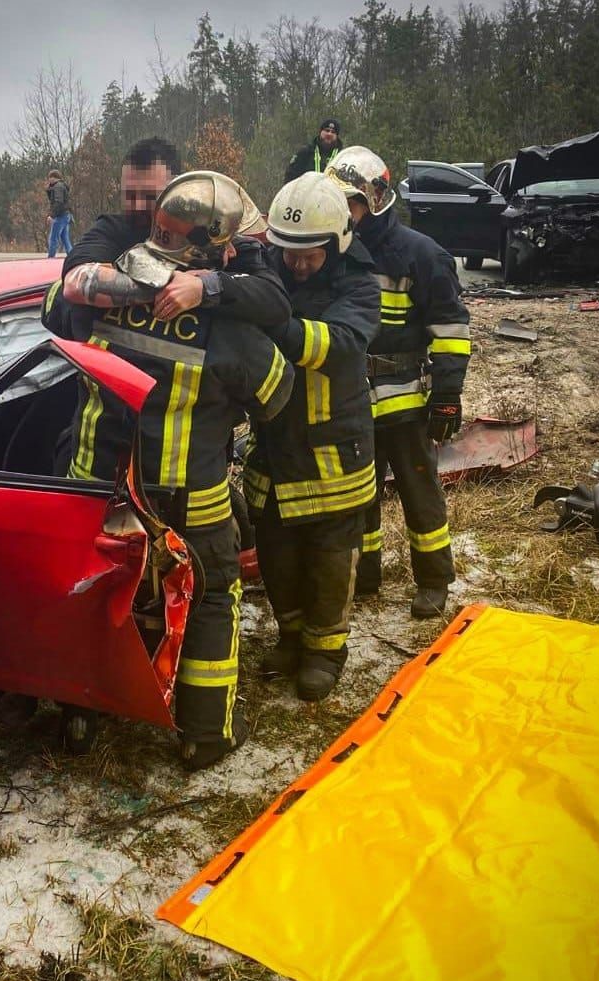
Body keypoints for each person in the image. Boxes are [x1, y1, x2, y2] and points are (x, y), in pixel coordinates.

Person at [47, 172, 295, 771]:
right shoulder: (232, 329)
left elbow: (55, 314)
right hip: (191, 496)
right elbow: (275, 395)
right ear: (207, 250)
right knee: (211, 597)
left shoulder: (94, 298)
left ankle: (80, 713)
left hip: (94, 485)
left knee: (94, 595)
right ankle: (203, 735)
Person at [246, 173, 380, 701]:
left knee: (329, 558)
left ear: (337, 245)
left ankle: (326, 651)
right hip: (276, 448)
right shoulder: (271, 272)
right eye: (289, 253)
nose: (298, 264)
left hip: (333, 452)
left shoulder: (360, 285)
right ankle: (291, 636)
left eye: (311, 255)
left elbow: (338, 344)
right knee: (278, 553)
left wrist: (270, 319)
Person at [326, 146, 471, 618]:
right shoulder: (336, 251)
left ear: (377, 197)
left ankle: (433, 580)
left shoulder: (420, 254)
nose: (341, 211)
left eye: (349, 201)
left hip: (407, 400)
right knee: (360, 494)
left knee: (419, 491)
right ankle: (366, 575)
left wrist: (447, 397)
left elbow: (450, 329)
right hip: (352, 403)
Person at [53, 137, 290, 333]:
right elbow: (77, 283)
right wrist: (174, 282)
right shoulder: (113, 229)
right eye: (128, 194)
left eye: (148, 196)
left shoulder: (213, 231)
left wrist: (206, 287)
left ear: (177, 190)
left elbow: (275, 301)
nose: (135, 205)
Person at [285, 119, 343, 184]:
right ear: (320, 132)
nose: (329, 134)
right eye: (327, 130)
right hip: (307, 192)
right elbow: (290, 176)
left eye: (333, 132)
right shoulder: (305, 152)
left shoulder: (342, 156)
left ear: (337, 136)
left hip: (333, 193)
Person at [46, 169, 72, 257]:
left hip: (60, 215)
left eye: (50, 177)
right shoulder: (61, 186)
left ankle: (51, 257)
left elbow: (58, 202)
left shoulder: (58, 187)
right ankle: (72, 256)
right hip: (66, 215)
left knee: (53, 237)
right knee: (65, 239)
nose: (49, 179)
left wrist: (52, 215)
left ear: (54, 178)